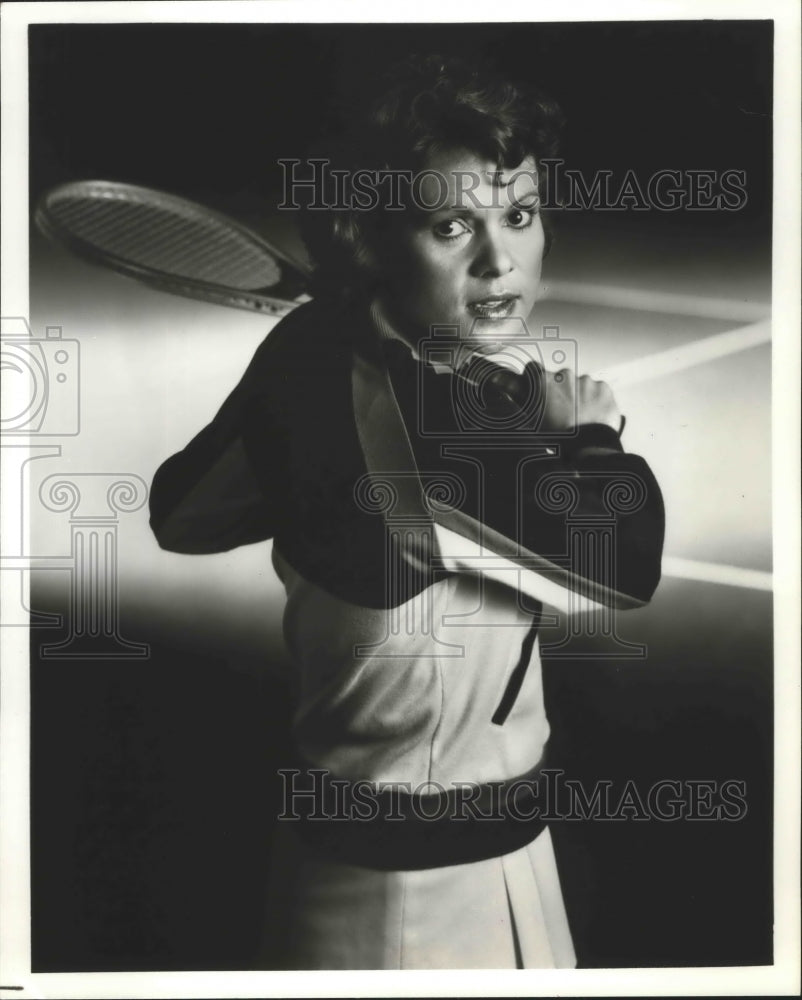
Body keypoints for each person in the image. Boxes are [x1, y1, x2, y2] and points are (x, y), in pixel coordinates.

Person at [149, 54, 664, 970]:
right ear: (372, 239)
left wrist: (299, 373)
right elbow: (623, 566)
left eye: (520, 214)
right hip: (417, 911)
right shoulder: (439, 431)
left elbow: (184, 515)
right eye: (450, 225)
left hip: (430, 860)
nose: (500, 259)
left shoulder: (317, 352)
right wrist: (590, 437)